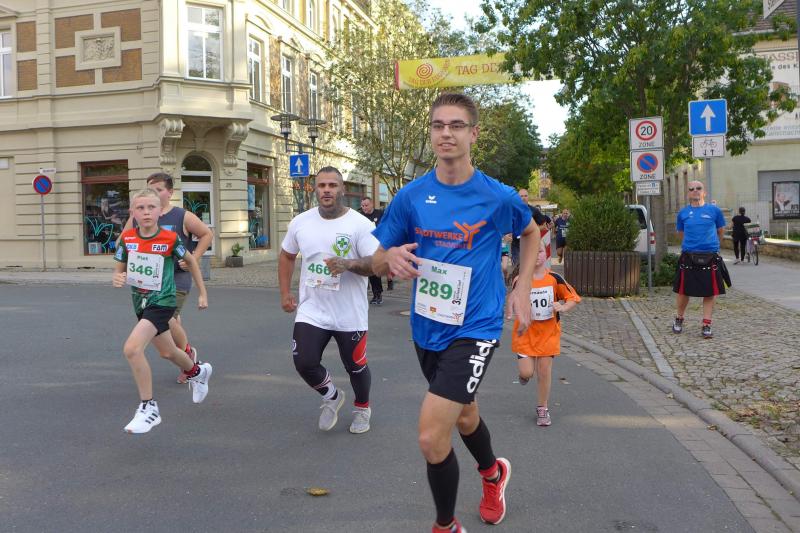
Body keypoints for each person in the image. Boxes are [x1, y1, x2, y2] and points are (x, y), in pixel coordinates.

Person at [372, 93, 540, 532]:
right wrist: (388, 258)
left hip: (477, 325)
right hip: (428, 326)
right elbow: (377, 256)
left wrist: (522, 285)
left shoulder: (497, 196)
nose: (446, 133)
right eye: (438, 125)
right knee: (464, 414)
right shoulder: (411, 196)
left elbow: (530, 232)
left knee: (431, 436)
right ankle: (493, 474)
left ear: (473, 133)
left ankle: (445, 526)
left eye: (456, 125)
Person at [279, 167, 380, 434]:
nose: (326, 190)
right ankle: (332, 396)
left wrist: (348, 264)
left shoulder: (361, 225)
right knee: (304, 361)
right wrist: (285, 292)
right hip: (312, 308)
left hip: (350, 312)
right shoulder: (301, 222)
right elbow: (287, 255)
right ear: (315, 189)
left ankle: (362, 408)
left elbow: (376, 265)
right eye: (322, 185)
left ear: (342, 189)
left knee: (355, 366)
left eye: (332, 185)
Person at [113, 188, 211, 434]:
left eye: (151, 207)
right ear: (133, 212)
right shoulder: (127, 239)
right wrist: (117, 276)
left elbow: (191, 261)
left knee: (132, 349)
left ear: (160, 211)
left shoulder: (170, 238)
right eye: (140, 208)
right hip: (140, 302)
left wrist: (202, 293)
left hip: (163, 301)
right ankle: (197, 371)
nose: (146, 212)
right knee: (168, 352)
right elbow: (119, 267)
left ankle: (149, 408)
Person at [121, 173, 214, 384]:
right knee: (171, 322)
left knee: (168, 317)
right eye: (150, 189)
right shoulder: (139, 215)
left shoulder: (181, 216)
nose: (154, 193)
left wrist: (194, 258)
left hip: (176, 278)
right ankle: (186, 361)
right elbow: (123, 241)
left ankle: (187, 356)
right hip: (148, 283)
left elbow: (206, 234)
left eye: (159, 189)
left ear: (170, 192)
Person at [509, 241, 580, 427]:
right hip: (525, 334)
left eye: (540, 251)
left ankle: (543, 408)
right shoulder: (520, 280)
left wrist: (562, 307)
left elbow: (573, 298)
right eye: (532, 251)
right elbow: (515, 302)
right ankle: (525, 376)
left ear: (546, 253)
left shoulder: (554, 278)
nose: (536, 255)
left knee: (544, 371)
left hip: (548, 334)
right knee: (527, 372)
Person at [672, 181, 729, 339]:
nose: (695, 191)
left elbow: (720, 231)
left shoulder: (714, 211)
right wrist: (692, 245)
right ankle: (679, 318)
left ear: (704, 192)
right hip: (689, 256)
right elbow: (681, 233)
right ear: (688, 193)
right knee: (683, 291)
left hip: (710, 256)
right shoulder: (683, 213)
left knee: (709, 292)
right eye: (691, 189)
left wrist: (713, 246)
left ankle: (706, 324)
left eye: (698, 188)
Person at [358, 196, 388, 304]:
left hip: (377, 246)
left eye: (366, 205)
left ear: (371, 204)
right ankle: (363, 294)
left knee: (374, 271)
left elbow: (386, 227)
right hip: (363, 245)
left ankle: (378, 294)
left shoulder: (380, 214)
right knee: (363, 270)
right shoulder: (360, 216)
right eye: (362, 206)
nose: (364, 208)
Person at [510, 188, 547, 267]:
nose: (523, 198)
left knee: (529, 267)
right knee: (517, 266)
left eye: (525, 196)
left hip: (530, 242)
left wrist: (532, 231)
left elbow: (544, 225)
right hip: (516, 243)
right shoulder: (512, 210)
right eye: (521, 196)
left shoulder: (534, 210)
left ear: (528, 197)